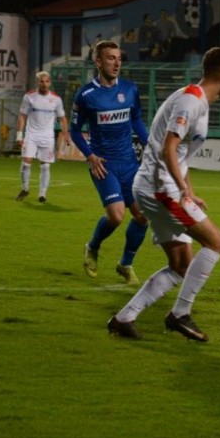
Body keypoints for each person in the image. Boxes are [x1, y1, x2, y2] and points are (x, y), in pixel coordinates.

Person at [107, 46, 220, 342]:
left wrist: (189, 189)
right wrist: (181, 190)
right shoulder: (191, 102)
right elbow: (169, 147)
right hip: (160, 190)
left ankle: (123, 318)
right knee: (215, 243)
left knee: (181, 265)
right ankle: (179, 314)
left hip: (158, 187)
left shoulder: (196, 100)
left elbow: (179, 154)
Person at [69, 40, 151, 286]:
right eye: (111, 58)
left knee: (142, 215)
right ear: (98, 62)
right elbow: (74, 131)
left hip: (129, 162)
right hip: (103, 164)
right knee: (116, 216)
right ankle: (92, 247)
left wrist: (150, 145)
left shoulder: (129, 89)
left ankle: (125, 264)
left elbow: (136, 119)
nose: (116, 63)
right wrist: (90, 155)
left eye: (119, 58)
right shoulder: (86, 95)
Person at [15, 71, 69, 203]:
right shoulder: (29, 97)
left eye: (46, 81)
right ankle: (25, 188)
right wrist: (19, 135)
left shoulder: (56, 99)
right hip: (31, 135)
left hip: (48, 137)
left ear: (50, 82)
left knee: (45, 166)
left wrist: (66, 135)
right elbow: (22, 115)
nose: (44, 84)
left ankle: (42, 194)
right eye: (41, 81)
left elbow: (62, 119)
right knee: (26, 162)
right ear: (37, 82)